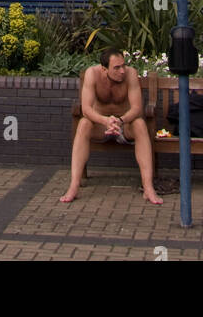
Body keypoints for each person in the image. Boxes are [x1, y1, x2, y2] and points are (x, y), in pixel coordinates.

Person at [61, 47, 163, 205]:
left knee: (140, 124)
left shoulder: (130, 74)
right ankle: (73, 186)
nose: (122, 71)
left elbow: (137, 108)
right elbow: (86, 109)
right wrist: (105, 121)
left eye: (123, 65)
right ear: (104, 69)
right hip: (101, 125)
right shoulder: (92, 74)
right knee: (83, 124)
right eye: (116, 67)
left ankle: (148, 188)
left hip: (125, 124)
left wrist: (120, 120)